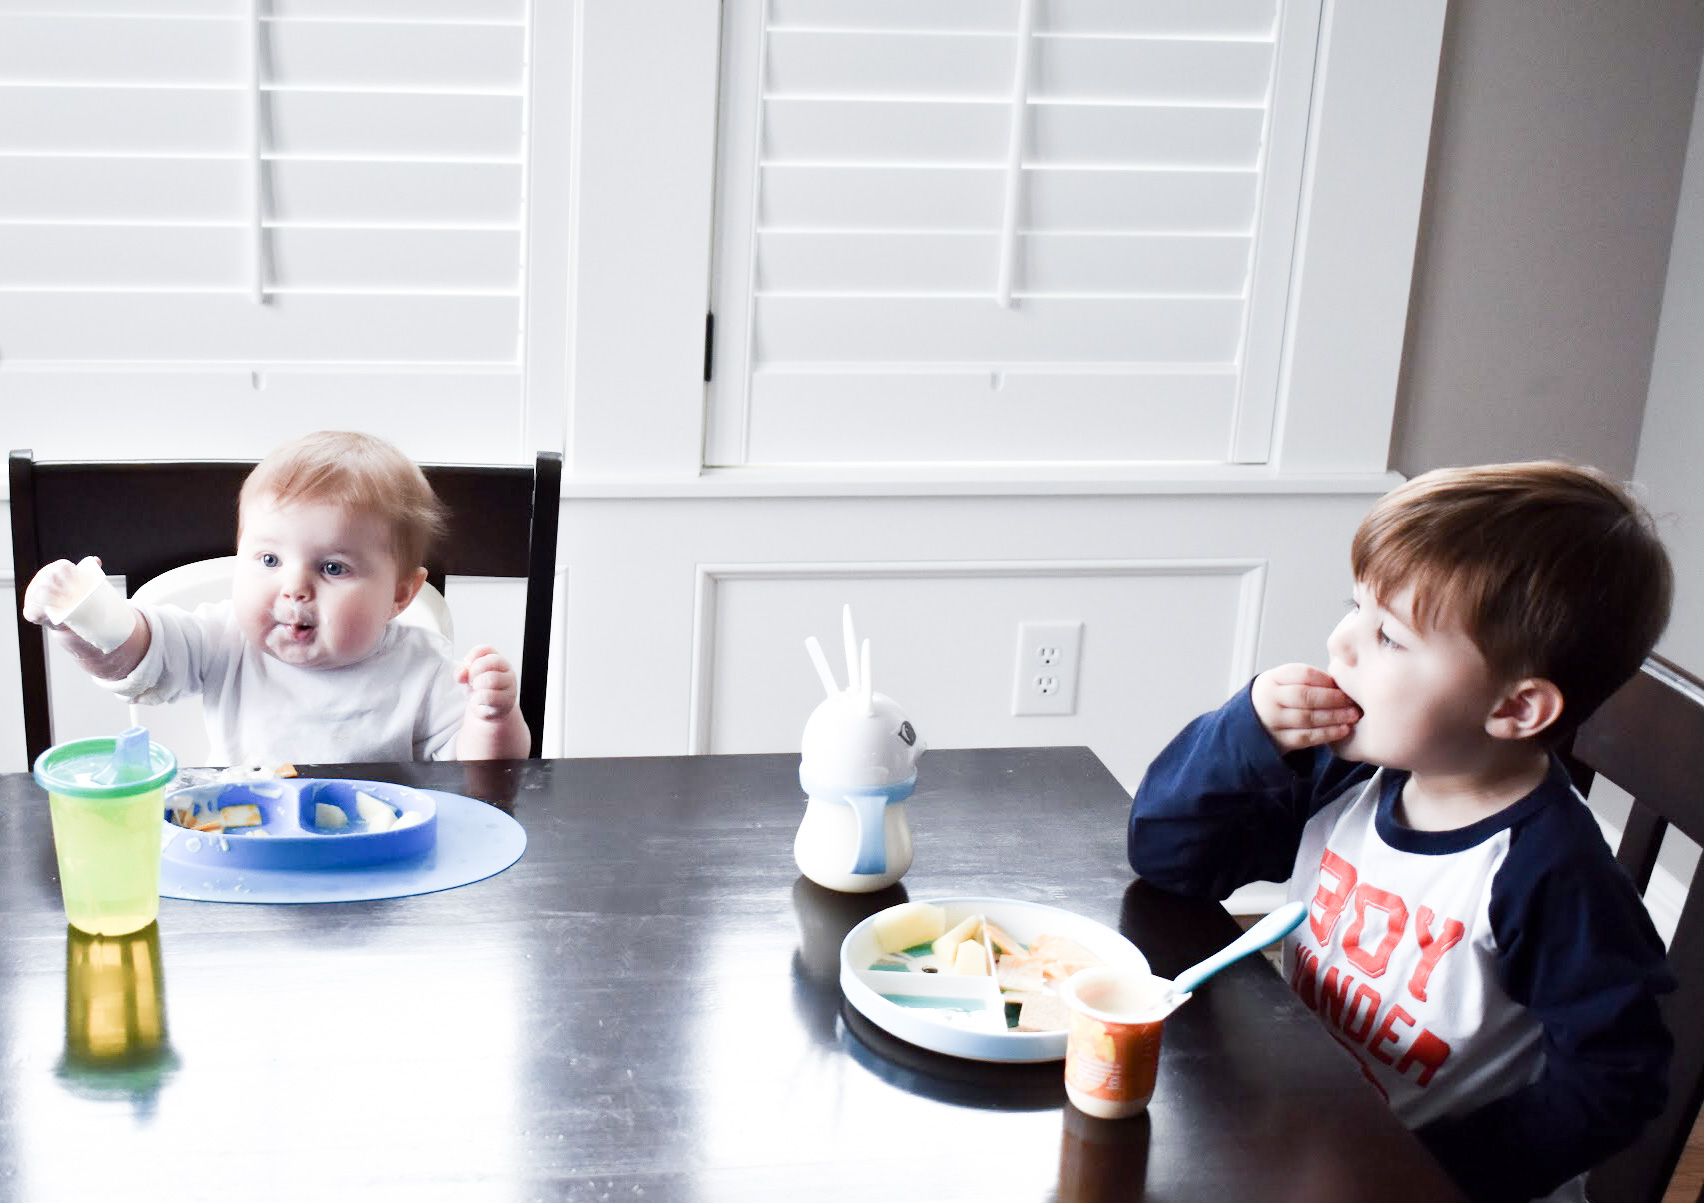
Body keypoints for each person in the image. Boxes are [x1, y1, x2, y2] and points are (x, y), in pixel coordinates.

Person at [1127, 461, 1675, 1203]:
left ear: (1516, 710)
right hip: (1310, 1131)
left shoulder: (1548, 872)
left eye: (1389, 635)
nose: (1340, 642)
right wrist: (1244, 729)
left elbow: (1619, 1079)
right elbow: (1167, 858)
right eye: (1354, 607)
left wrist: (1421, 1171)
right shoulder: (1357, 771)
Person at [22, 431, 530, 764]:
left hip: (380, 873)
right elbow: (134, 657)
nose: (294, 588)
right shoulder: (225, 640)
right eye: (269, 561)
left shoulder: (426, 669)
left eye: (333, 567)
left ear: (400, 594)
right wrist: (83, 615)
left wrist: (494, 718)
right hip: (248, 851)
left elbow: (483, 779)